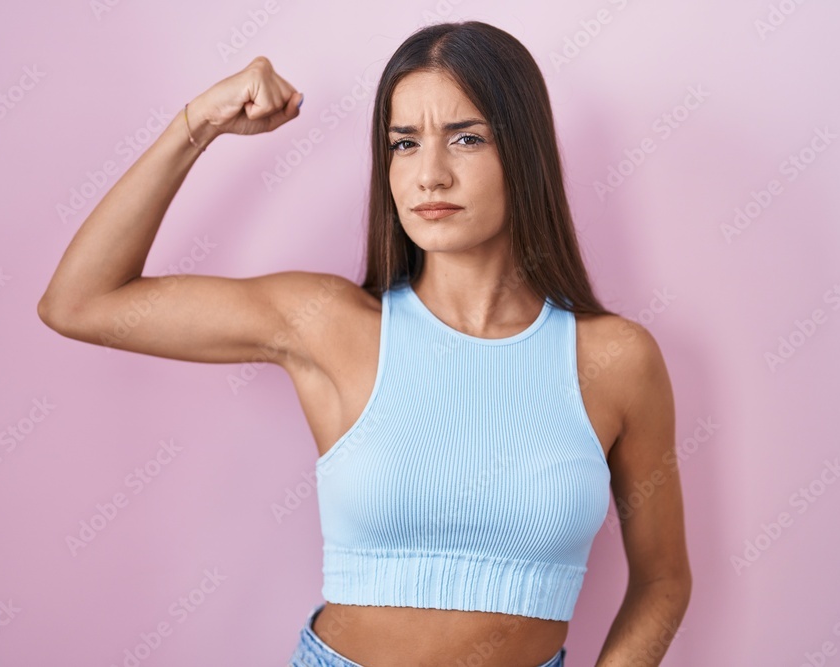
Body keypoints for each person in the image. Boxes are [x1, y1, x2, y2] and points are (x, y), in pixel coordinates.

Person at [38, 19, 691, 667]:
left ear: (524, 153)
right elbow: (81, 301)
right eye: (404, 144)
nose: (429, 174)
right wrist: (201, 124)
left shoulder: (616, 361)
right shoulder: (326, 322)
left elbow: (663, 580)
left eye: (465, 138)